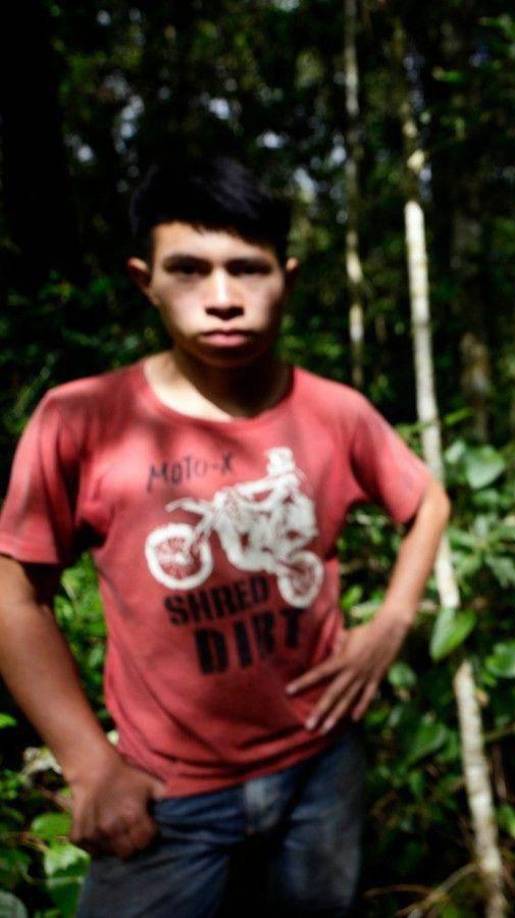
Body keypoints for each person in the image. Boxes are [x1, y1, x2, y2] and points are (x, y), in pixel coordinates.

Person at [0, 156, 450, 916]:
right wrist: (88, 762)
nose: (221, 299)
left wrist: (393, 622)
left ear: (289, 277)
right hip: (169, 795)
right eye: (188, 270)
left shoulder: (334, 411)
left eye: (248, 269)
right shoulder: (80, 421)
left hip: (321, 770)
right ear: (144, 279)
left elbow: (426, 501)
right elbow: (16, 596)